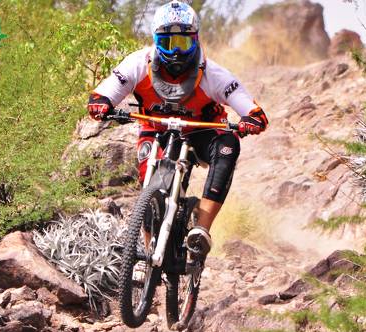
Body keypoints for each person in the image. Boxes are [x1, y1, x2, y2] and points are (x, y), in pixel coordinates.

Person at [88, 0, 268, 261]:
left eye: (183, 42)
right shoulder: (139, 63)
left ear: (195, 40)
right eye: (167, 42)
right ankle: (148, 253)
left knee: (229, 145)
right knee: (149, 186)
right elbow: (104, 93)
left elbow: (250, 108)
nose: (175, 51)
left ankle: (201, 229)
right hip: (156, 130)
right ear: (155, 40)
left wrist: (251, 119)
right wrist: (100, 104)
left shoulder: (213, 73)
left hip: (201, 132)